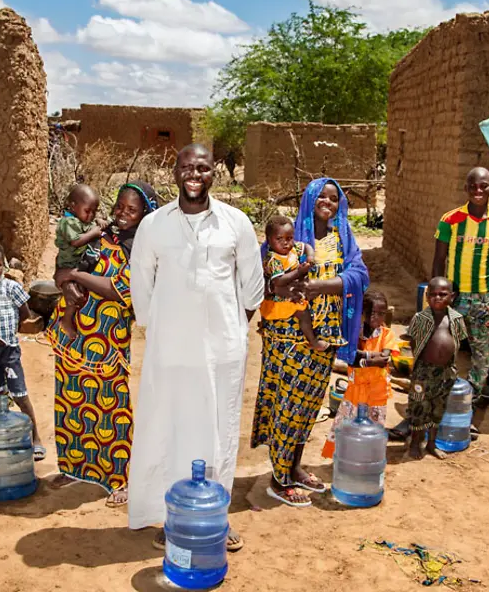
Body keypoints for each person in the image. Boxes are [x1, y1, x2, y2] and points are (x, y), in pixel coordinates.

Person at [128, 144, 264, 551]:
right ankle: (170, 516)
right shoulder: (154, 225)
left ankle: (215, 518)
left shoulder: (235, 223)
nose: (194, 175)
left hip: (222, 354)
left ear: (213, 174)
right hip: (169, 350)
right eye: (186, 167)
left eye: (202, 168)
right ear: (175, 173)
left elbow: (252, 287)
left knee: (219, 433)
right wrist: (163, 329)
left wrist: (231, 329)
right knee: (167, 429)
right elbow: (141, 286)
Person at [250, 178, 370, 507]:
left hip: (326, 334)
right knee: (287, 404)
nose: (327, 202)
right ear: (309, 199)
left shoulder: (343, 237)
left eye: (334, 198)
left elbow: (360, 274)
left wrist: (323, 286)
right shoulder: (287, 236)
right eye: (321, 196)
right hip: (288, 335)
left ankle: (294, 466)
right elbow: (261, 279)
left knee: (309, 405)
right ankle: (279, 479)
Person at [46, 181, 159, 508]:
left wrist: (75, 277)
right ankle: (74, 467)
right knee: (70, 401)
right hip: (74, 334)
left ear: (145, 214)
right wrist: (65, 282)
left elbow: (118, 289)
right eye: (119, 206)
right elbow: (63, 265)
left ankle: (120, 478)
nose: (122, 214)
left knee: (111, 410)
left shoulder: (142, 251)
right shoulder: (98, 234)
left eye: (132, 210)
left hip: (107, 338)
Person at [432, 167, 489, 395]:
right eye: (473, 186)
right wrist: (438, 299)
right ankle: (442, 398)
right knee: (443, 349)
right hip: (454, 297)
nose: (478, 191)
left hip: (485, 300)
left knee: (482, 356)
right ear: (466, 188)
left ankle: (471, 402)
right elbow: (438, 260)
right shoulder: (450, 220)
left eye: (483, 186)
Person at [0, 240, 45, 460]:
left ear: (3, 265)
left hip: (9, 352)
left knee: (20, 395)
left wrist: (10, 332)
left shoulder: (11, 288)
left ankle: (36, 438)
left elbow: (25, 313)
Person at [321, 290, 400, 459]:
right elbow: (351, 359)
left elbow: (383, 359)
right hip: (355, 391)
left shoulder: (387, 334)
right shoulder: (354, 333)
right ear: (363, 312)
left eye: (381, 313)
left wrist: (362, 357)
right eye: (372, 313)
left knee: (373, 429)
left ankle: (367, 461)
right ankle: (343, 459)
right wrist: (370, 357)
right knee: (345, 426)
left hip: (377, 392)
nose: (376, 317)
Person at [405, 277, 468, 460]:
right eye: (433, 294)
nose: (437, 298)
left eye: (443, 294)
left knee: (438, 408)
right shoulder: (420, 318)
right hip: (423, 372)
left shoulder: (456, 319)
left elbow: (459, 342)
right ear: (427, 296)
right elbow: (413, 342)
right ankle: (415, 443)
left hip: (446, 372)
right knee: (418, 407)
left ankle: (431, 444)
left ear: (452, 296)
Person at [260, 214, 326, 352]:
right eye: (279, 239)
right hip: (277, 298)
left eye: (289, 238)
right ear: (269, 240)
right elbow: (279, 281)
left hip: (290, 287)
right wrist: (299, 272)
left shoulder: (293, 248)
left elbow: (307, 246)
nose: (285, 243)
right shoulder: (274, 259)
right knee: (303, 313)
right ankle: (313, 341)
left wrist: (310, 256)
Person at [55, 184, 109, 339]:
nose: (90, 215)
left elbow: (90, 224)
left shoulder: (81, 219)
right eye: (87, 211)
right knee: (74, 294)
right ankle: (66, 320)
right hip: (68, 265)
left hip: (77, 263)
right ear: (73, 206)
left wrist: (98, 221)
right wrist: (94, 232)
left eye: (94, 212)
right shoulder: (67, 222)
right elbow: (76, 241)